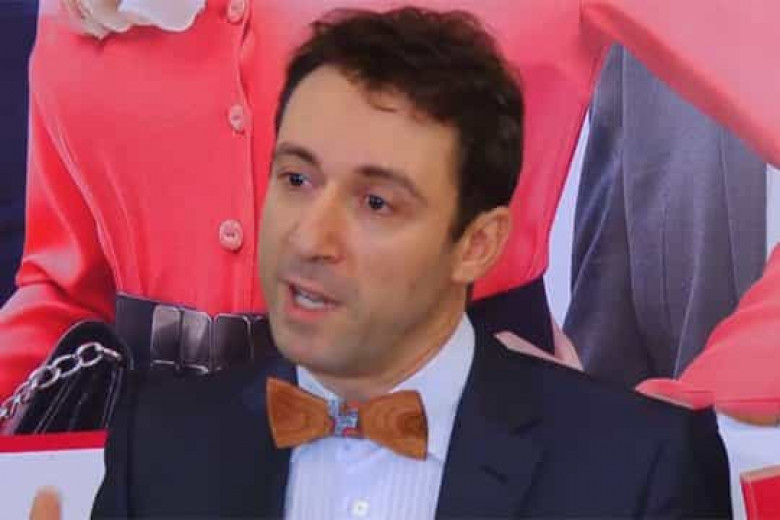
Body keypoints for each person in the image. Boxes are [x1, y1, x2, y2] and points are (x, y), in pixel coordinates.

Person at [91, 8, 730, 518]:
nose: (309, 238)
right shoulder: (157, 448)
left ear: (478, 244)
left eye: (376, 203)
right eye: (296, 179)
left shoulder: (636, 468)